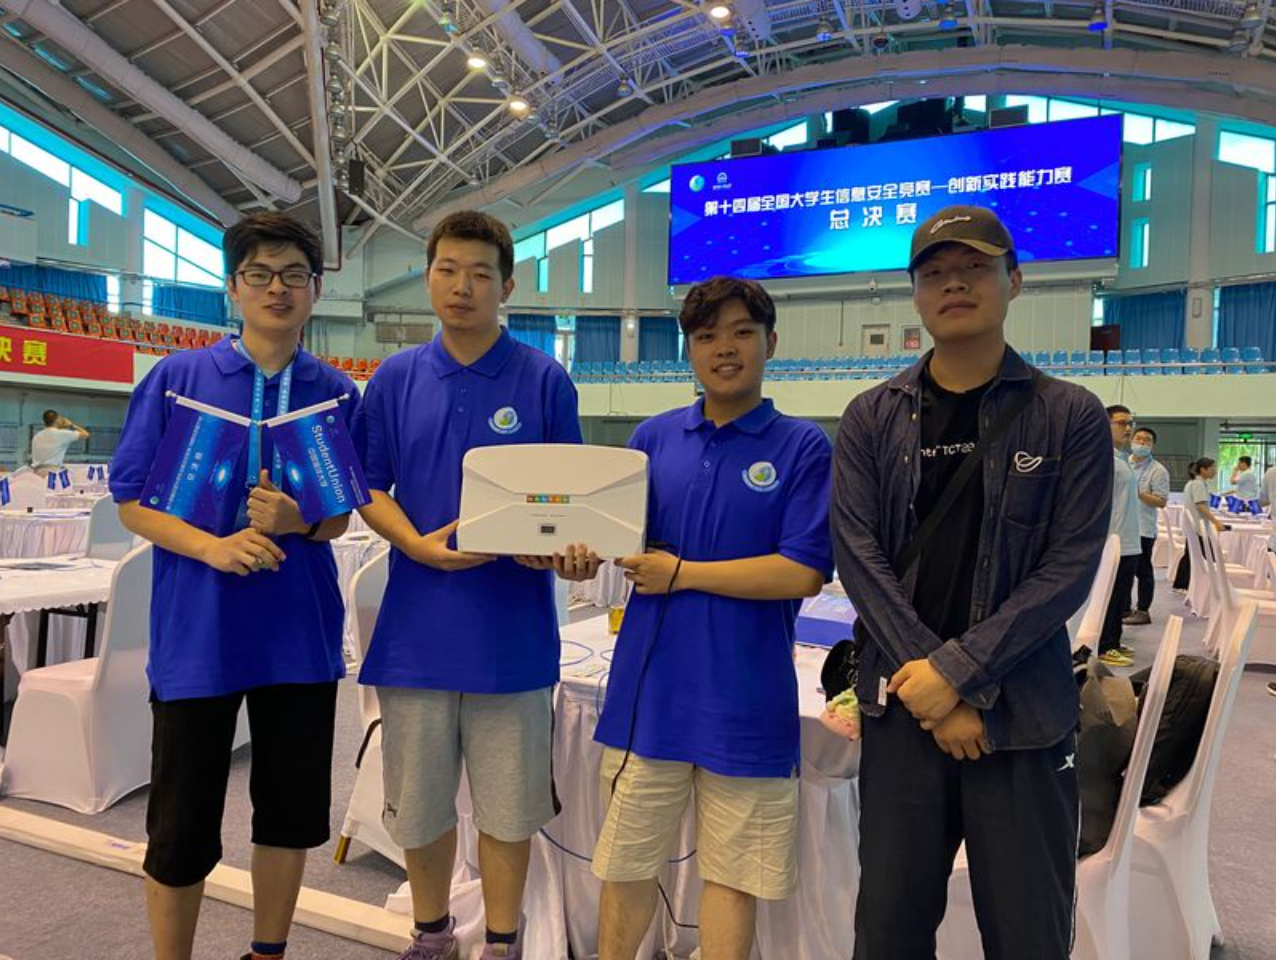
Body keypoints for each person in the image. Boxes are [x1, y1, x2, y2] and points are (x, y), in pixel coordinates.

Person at [832, 205, 1112, 958]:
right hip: (905, 717)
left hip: (1022, 718)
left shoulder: (1070, 415)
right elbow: (858, 556)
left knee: (1029, 934)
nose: (954, 284)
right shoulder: (870, 418)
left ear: (1014, 281)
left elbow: (1068, 570)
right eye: (935, 273)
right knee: (888, 933)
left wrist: (955, 675)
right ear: (917, 294)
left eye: (975, 268)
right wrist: (932, 689)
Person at [110, 213, 360, 961]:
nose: (277, 288)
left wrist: (298, 520)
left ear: (315, 290)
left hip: (299, 637)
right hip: (199, 636)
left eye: (294, 275)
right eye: (260, 274)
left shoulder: (336, 394)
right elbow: (132, 500)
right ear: (234, 287)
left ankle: (267, 952)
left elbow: (340, 517)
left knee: (289, 814)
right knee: (180, 823)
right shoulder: (179, 380)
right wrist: (213, 549)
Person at [351, 210, 598, 961]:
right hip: (415, 635)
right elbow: (367, 485)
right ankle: (432, 934)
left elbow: (566, 501)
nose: (462, 287)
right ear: (428, 277)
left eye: (480, 274)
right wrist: (412, 545)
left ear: (507, 286)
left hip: (511, 639)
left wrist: (562, 553)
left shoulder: (543, 379)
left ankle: (501, 941)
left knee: (509, 809)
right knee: (420, 807)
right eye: (447, 270)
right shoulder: (395, 379)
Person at [590, 277, 832, 959]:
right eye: (706, 336)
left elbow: (803, 572)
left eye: (741, 333)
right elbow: (618, 542)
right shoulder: (652, 437)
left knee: (733, 877)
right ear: (689, 351)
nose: (724, 348)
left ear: (770, 343)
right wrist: (576, 555)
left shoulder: (803, 447)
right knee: (626, 865)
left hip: (748, 701)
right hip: (649, 698)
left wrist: (685, 574)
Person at [1097, 405, 1142, 667]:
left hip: (1128, 538)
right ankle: (1104, 645)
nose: (1128, 429)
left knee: (1121, 595)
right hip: (1113, 540)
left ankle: (1114, 641)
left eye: (1130, 423)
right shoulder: (1102, 458)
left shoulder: (1122, 459)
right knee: (1111, 596)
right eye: (1122, 423)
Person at [1125, 426, 1170, 626]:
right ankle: (1123, 608)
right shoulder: (1122, 463)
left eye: (1147, 440)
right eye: (1139, 439)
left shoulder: (1158, 470)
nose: (1142, 443)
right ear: (1131, 441)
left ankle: (1143, 610)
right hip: (1122, 526)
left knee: (1142, 570)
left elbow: (1161, 501)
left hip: (1143, 528)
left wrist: (1137, 493)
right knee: (1122, 571)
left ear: (1152, 445)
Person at [1172, 458, 1226, 592]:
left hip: (1195, 527)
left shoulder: (1195, 483)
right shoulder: (1198, 484)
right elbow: (1201, 506)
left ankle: (1182, 584)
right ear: (1203, 469)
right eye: (1212, 468)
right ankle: (1197, 586)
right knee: (1205, 557)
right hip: (1198, 527)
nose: (1215, 471)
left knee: (1191, 556)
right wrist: (1216, 521)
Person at [30, 409, 89, 474]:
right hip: (53, 472)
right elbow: (85, 434)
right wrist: (72, 425)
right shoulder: (63, 434)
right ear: (56, 420)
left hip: (36, 472)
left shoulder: (37, 436)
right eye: (60, 418)